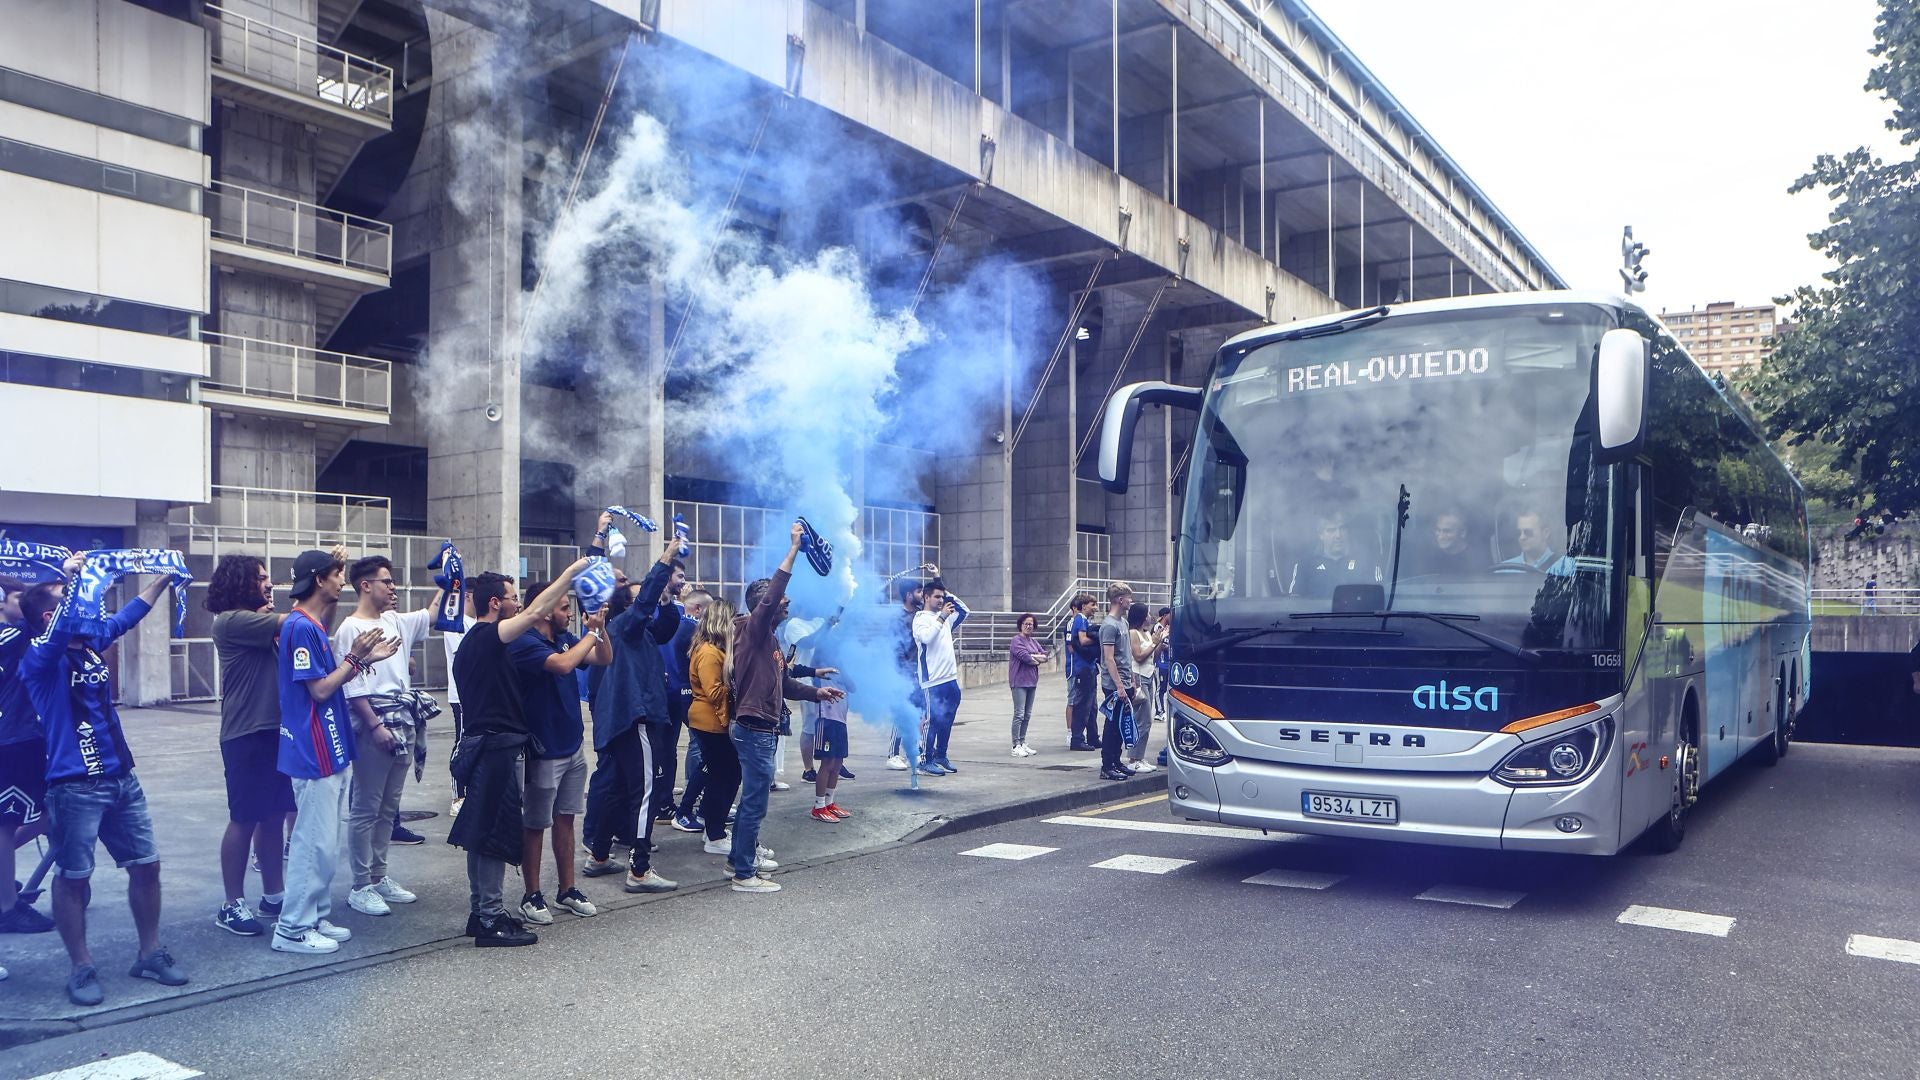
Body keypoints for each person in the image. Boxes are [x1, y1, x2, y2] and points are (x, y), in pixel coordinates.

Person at [19, 557, 185, 1005]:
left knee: (146, 864)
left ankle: (149, 954)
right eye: (71, 600)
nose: (89, 605)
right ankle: (81, 967)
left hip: (120, 777)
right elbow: (61, 627)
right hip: (73, 786)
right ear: (50, 616)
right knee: (74, 877)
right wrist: (71, 580)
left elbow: (127, 616)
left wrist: (160, 583)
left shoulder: (88, 642)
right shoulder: (40, 658)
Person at [449, 560, 593, 948]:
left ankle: (483, 912)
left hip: (489, 745)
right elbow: (536, 611)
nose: (519, 605)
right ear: (495, 604)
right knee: (494, 832)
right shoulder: (485, 637)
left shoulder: (482, 643)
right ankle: (491, 916)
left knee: (481, 831)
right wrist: (572, 571)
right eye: (513, 598)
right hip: (496, 747)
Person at [272, 550, 398, 956]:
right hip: (313, 751)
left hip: (328, 747)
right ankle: (292, 927)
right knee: (313, 842)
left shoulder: (311, 625)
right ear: (318, 580)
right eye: (336, 574)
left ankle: (314, 915)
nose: (341, 581)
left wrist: (360, 661)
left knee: (324, 843)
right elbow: (321, 689)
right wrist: (357, 658)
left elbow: (331, 680)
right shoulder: (299, 627)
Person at [728, 524, 845, 893]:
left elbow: (785, 684)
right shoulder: (753, 628)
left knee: (753, 801)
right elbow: (774, 593)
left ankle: (739, 857)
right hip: (754, 728)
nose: (788, 602)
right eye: (781, 599)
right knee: (754, 803)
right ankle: (744, 875)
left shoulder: (770, 640)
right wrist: (794, 549)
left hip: (762, 727)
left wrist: (816, 693)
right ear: (766, 604)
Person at [335, 556, 445, 919]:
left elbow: (431, 615)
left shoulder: (394, 620)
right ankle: (360, 884)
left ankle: (379, 875)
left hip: (403, 718)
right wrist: (374, 725)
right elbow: (352, 685)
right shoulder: (350, 628)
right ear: (365, 585)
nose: (392, 586)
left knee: (388, 806)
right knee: (366, 806)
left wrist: (449, 581)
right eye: (385, 580)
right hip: (376, 722)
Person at [582, 535, 683, 894]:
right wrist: (666, 559)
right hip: (634, 716)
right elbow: (644, 604)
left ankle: (598, 855)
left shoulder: (631, 631)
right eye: (627, 585)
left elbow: (665, 625)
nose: (648, 600)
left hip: (622, 717)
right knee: (645, 791)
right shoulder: (624, 625)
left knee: (618, 788)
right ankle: (639, 869)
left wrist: (669, 601)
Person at [508, 581, 611, 923]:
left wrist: (600, 630)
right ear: (548, 609)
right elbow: (565, 665)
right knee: (536, 822)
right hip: (543, 749)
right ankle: (531, 894)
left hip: (572, 746)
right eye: (565, 608)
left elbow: (604, 658)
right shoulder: (526, 642)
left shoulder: (567, 638)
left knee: (566, 819)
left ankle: (567, 890)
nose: (570, 613)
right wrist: (590, 632)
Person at [206, 553, 296, 938]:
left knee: (273, 814)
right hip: (245, 734)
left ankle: (274, 895)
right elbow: (297, 622)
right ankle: (232, 904)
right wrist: (316, 587)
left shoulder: (260, 626)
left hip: (273, 731)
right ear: (241, 583)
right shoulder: (230, 622)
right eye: (261, 578)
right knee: (244, 818)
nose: (269, 583)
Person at [0, 577, 53, 935]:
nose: (26, 603)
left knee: (47, 815)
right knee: (6, 822)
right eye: (20, 597)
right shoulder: (10, 636)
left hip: (25, 737)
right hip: (12, 740)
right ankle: (6, 908)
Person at [687, 596, 744, 855]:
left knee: (722, 775)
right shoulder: (710, 652)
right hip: (710, 722)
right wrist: (736, 685)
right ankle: (715, 833)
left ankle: (713, 827)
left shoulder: (711, 649)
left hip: (711, 721)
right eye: (731, 620)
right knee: (726, 775)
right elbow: (714, 692)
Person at [912, 579, 968, 775]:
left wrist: (941, 582)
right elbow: (927, 638)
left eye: (942, 597)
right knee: (933, 720)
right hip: (932, 681)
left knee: (948, 719)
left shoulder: (944, 617)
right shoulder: (920, 619)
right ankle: (925, 761)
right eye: (937, 596)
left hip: (950, 679)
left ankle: (940, 755)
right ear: (926, 597)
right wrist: (942, 617)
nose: (941, 600)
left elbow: (965, 610)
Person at [670, 588, 712, 833]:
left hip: (683, 691)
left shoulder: (682, 626)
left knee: (699, 743)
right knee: (699, 743)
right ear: (697, 609)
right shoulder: (689, 629)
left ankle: (700, 796)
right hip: (687, 693)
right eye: (708, 611)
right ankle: (694, 795)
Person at [1096, 581, 1141, 781]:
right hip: (1114, 686)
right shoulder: (1109, 625)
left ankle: (1116, 761)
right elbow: (1109, 658)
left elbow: (1126, 655)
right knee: (1112, 725)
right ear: (1120, 600)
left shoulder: (1123, 623)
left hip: (1125, 682)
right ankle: (1107, 766)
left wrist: (1131, 679)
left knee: (1122, 724)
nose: (1131, 601)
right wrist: (1120, 686)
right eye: (1128, 598)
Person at [1289, 512, 1382, 597]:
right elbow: (1294, 603)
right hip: (1318, 615)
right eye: (1331, 530)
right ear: (1321, 535)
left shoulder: (1367, 561)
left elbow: (1379, 598)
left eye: (1342, 528)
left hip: (1359, 615)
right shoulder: (1305, 565)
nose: (1338, 535)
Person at [884, 580, 925, 770]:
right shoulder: (898, 617)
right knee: (901, 712)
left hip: (918, 672)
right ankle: (893, 754)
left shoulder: (920, 614)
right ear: (909, 595)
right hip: (902, 672)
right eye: (919, 591)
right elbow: (893, 646)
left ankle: (913, 753)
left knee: (919, 714)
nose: (922, 594)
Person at [1125, 602, 1166, 773]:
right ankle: (1134, 758)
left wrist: (1158, 643)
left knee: (1145, 718)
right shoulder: (1133, 633)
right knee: (1144, 720)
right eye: (1148, 614)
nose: (1150, 617)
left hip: (1149, 676)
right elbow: (1139, 656)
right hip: (1139, 677)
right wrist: (1153, 643)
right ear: (1141, 616)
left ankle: (1140, 757)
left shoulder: (1147, 634)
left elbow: (1153, 658)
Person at [1006, 613, 1046, 757]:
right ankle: (1015, 745)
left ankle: (1022, 742)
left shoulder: (1033, 641)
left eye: (1031, 624)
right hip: (1019, 681)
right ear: (1020, 625)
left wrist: (1035, 657)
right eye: (1026, 624)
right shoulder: (1016, 640)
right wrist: (1035, 657)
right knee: (1019, 714)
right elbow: (1025, 657)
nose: (1028, 626)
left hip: (1032, 681)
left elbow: (1045, 656)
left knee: (1027, 715)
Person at [1065, 593, 1101, 750]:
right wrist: (1099, 637)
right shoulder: (1079, 619)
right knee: (1082, 705)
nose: (1095, 608)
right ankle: (1077, 738)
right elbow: (1083, 640)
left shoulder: (1084, 620)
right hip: (1082, 668)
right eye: (1092, 605)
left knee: (1092, 705)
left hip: (1089, 667)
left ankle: (1093, 736)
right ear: (1084, 605)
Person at [441, 609, 468, 819]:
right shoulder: (455, 623)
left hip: (481, 694)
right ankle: (458, 797)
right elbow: (465, 653)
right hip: (461, 696)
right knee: (462, 742)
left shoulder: (477, 621)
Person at [1502, 509, 1576, 575]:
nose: (1522, 537)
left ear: (1545, 533)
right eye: (1519, 532)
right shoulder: (1505, 569)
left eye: (1528, 532)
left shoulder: (1566, 567)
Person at [1413, 508, 1479, 577]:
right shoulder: (1429, 558)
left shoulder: (1476, 560)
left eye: (1447, 531)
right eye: (1438, 530)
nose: (1440, 537)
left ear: (1463, 532)